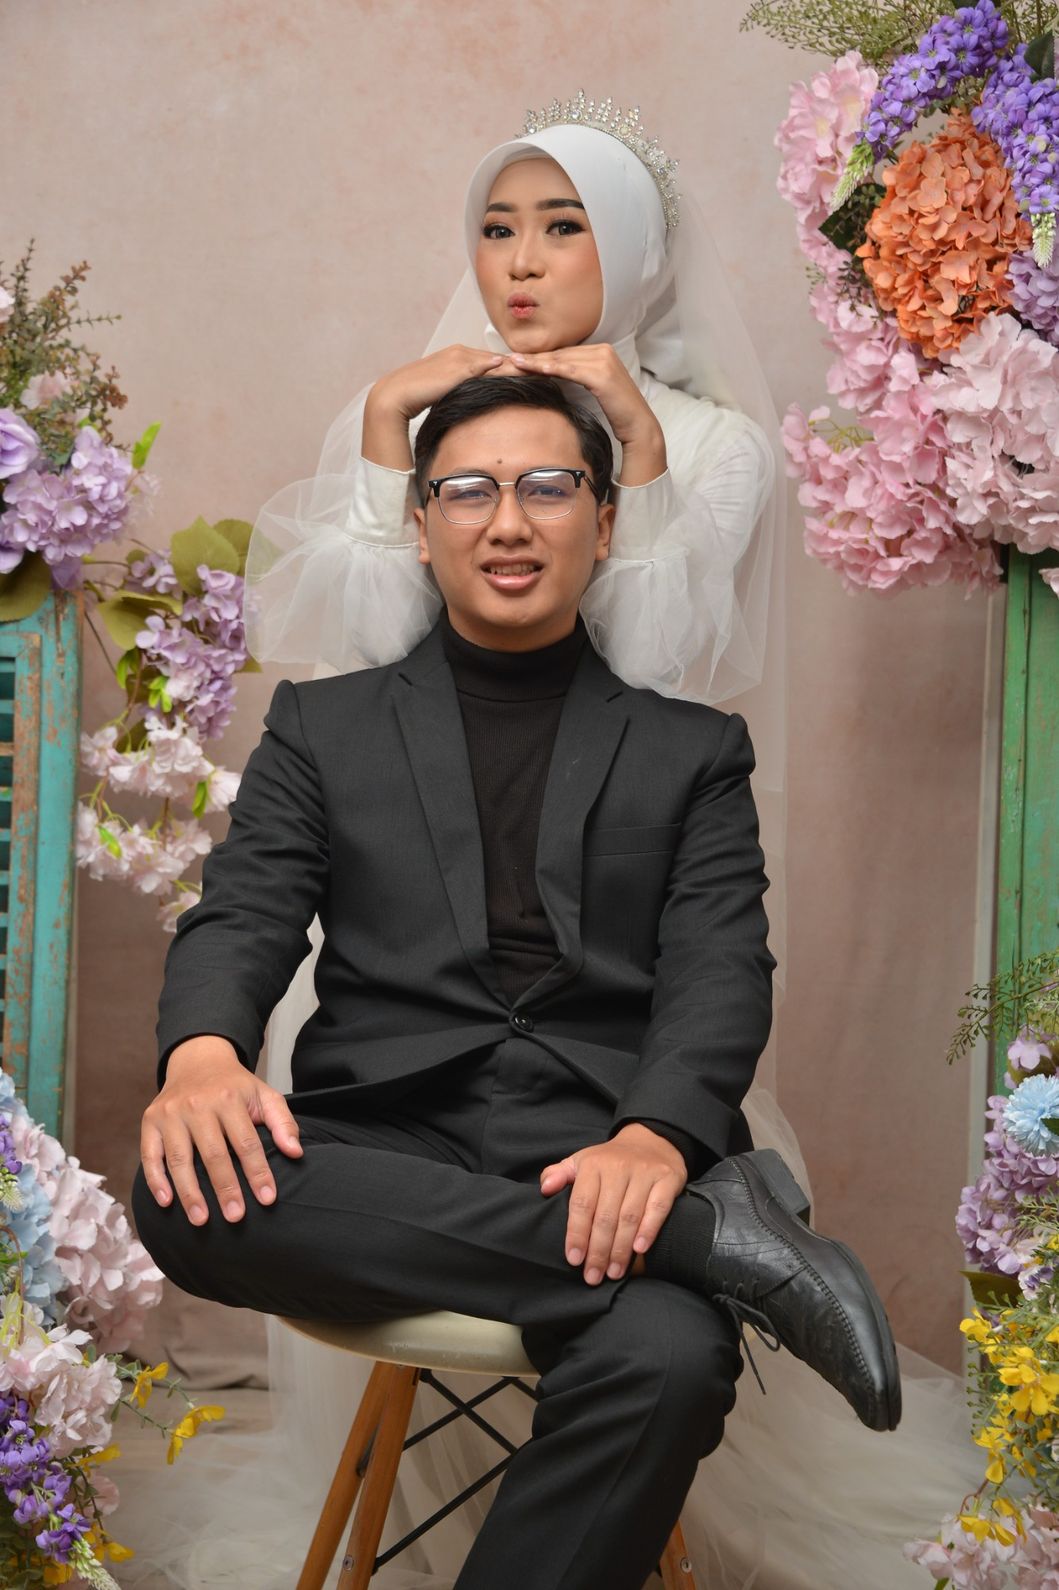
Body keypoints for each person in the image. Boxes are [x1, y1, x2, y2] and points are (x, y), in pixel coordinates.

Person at [134, 374, 900, 1590]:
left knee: (669, 1359)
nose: (507, 522)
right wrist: (202, 1057)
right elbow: (246, 911)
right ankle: (712, 1243)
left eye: (548, 487)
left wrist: (655, 1138)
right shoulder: (321, 728)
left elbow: (719, 973)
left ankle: (679, 1237)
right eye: (468, 491)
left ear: (605, 519)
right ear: (419, 521)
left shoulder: (694, 750)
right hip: (389, 1143)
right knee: (187, 1194)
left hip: (602, 1146)